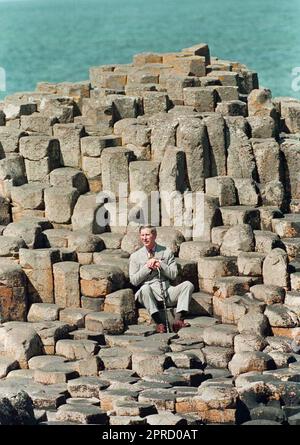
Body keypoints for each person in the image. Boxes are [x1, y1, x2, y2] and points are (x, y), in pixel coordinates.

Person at [129, 225, 194, 333]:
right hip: (148, 293)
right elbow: (134, 281)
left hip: (166, 290)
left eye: (147, 235)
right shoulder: (135, 256)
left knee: (188, 285)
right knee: (145, 289)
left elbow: (173, 274)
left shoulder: (166, 252)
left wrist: (161, 265)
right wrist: (147, 268)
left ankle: (178, 321)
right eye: (142, 235)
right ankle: (159, 323)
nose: (144, 238)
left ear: (154, 235)